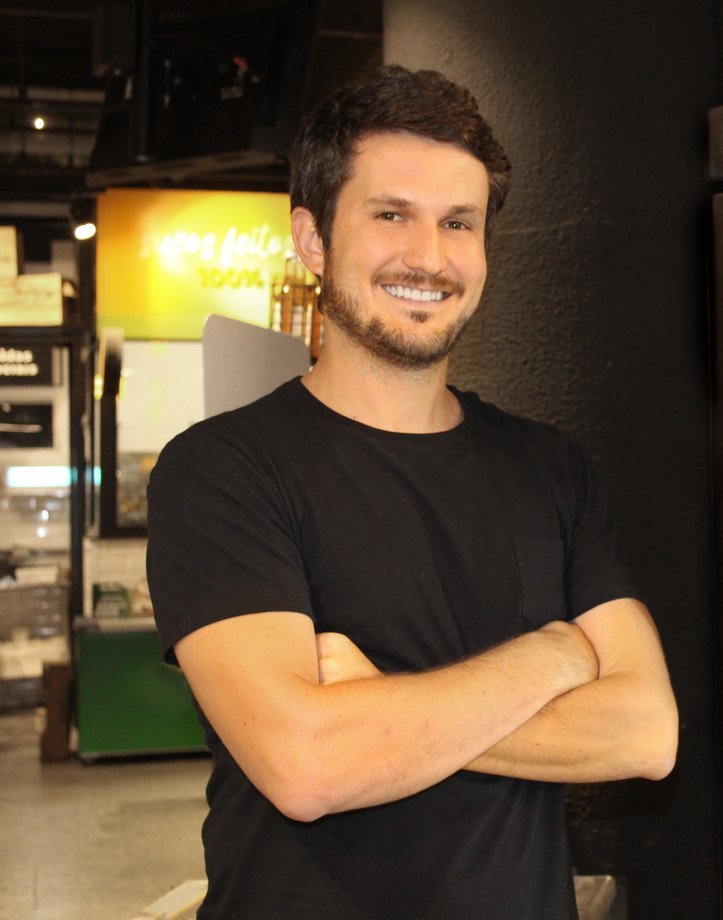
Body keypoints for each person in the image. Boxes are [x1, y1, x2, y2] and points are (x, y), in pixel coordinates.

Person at [146, 65, 678, 919]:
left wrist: (379, 716)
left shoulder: (548, 468)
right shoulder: (223, 471)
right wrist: (552, 657)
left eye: (458, 223)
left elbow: (647, 732)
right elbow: (307, 766)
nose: (429, 258)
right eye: (391, 215)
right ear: (313, 238)